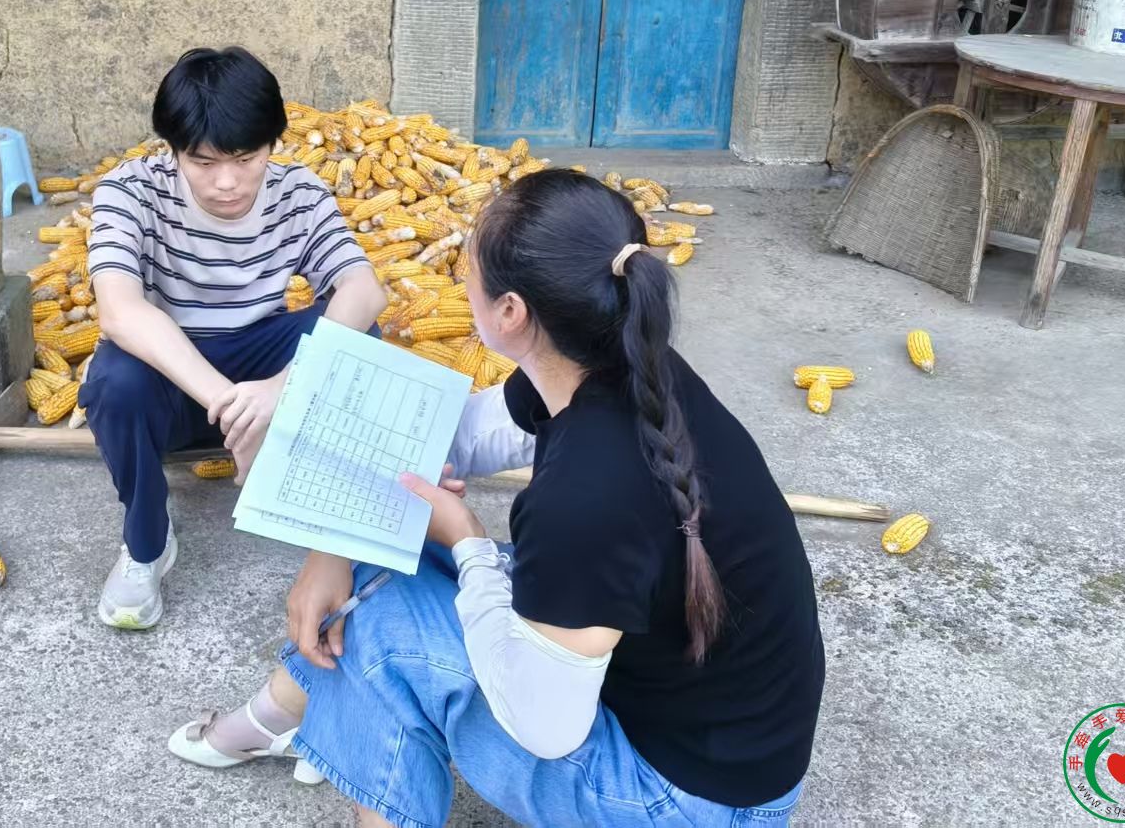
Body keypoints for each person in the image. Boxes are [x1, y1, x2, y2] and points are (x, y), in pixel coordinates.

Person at [169, 169, 825, 826]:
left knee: (379, 627)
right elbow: (455, 439)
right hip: (713, 738)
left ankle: (301, 723)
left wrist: (468, 542)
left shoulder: (584, 496)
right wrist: (329, 545)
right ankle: (291, 713)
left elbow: (545, 726)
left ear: (510, 312)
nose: (461, 283)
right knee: (378, 558)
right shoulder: (622, 364)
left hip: (686, 803)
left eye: (467, 269)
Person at [82, 47, 388, 631]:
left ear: (273, 143)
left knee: (361, 337)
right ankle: (146, 544)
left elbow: (363, 290)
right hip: (173, 380)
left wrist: (281, 388)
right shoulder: (130, 191)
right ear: (173, 150)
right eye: (202, 162)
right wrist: (237, 408)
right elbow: (119, 311)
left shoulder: (298, 192)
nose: (226, 182)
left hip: (258, 359)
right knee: (115, 379)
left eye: (246, 159)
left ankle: (333, 522)